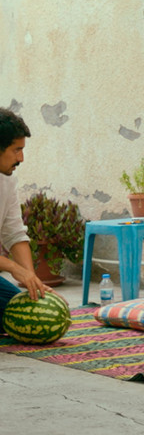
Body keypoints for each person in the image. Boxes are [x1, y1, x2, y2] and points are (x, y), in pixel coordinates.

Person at [0, 108, 54, 330]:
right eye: (16, 150)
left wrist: (32, 280)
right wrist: (14, 268)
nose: (21, 158)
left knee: (23, 315)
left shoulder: (8, 181)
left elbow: (14, 233)